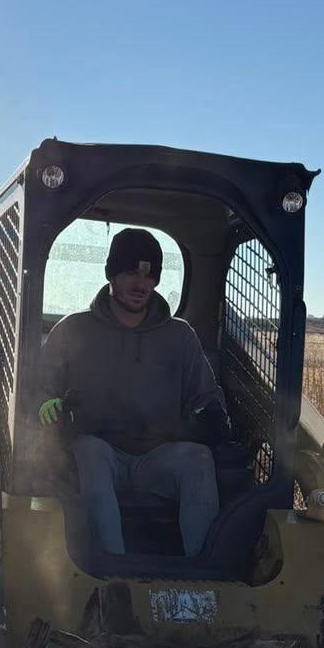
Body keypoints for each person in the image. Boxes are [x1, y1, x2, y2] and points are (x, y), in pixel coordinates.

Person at [38, 228, 227, 557]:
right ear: (111, 274)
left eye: (149, 275)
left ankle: (202, 570)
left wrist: (207, 419)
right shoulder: (72, 330)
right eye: (130, 272)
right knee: (90, 451)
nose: (141, 284)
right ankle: (111, 567)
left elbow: (206, 399)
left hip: (157, 457)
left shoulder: (180, 337)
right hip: (101, 455)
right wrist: (47, 405)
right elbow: (40, 391)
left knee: (198, 459)